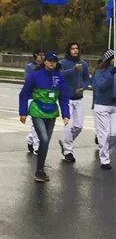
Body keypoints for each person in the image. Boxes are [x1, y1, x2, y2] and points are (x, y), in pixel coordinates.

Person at [18, 51, 70, 183]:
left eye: (54, 61)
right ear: (44, 62)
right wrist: (23, 112)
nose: (52, 63)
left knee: (45, 142)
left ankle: (40, 170)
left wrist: (66, 114)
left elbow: (64, 97)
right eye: (49, 60)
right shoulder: (34, 75)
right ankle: (39, 170)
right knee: (44, 139)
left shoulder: (60, 77)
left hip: (51, 112)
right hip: (37, 111)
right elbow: (24, 94)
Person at [92, 50, 116, 170]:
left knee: (115, 133)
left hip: (115, 105)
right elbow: (100, 87)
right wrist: (111, 75)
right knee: (104, 133)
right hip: (102, 105)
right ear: (108, 60)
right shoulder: (100, 72)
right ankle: (104, 159)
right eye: (113, 58)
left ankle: (104, 147)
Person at [57, 42, 90, 163]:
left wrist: (83, 87)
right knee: (68, 125)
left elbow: (87, 79)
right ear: (68, 50)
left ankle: (65, 142)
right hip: (66, 98)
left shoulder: (84, 64)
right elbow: (58, 76)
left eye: (77, 48)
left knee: (78, 126)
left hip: (79, 98)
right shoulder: (62, 63)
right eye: (72, 48)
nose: (75, 50)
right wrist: (72, 69)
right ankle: (68, 151)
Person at [24, 49, 44, 155]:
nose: (42, 57)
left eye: (44, 55)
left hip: (43, 99)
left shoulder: (45, 67)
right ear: (36, 55)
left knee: (42, 124)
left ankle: (30, 139)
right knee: (35, 122)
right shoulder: (30, 66)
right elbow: (27, 80)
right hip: (32, 98)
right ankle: (37, 147)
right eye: (41, 55)